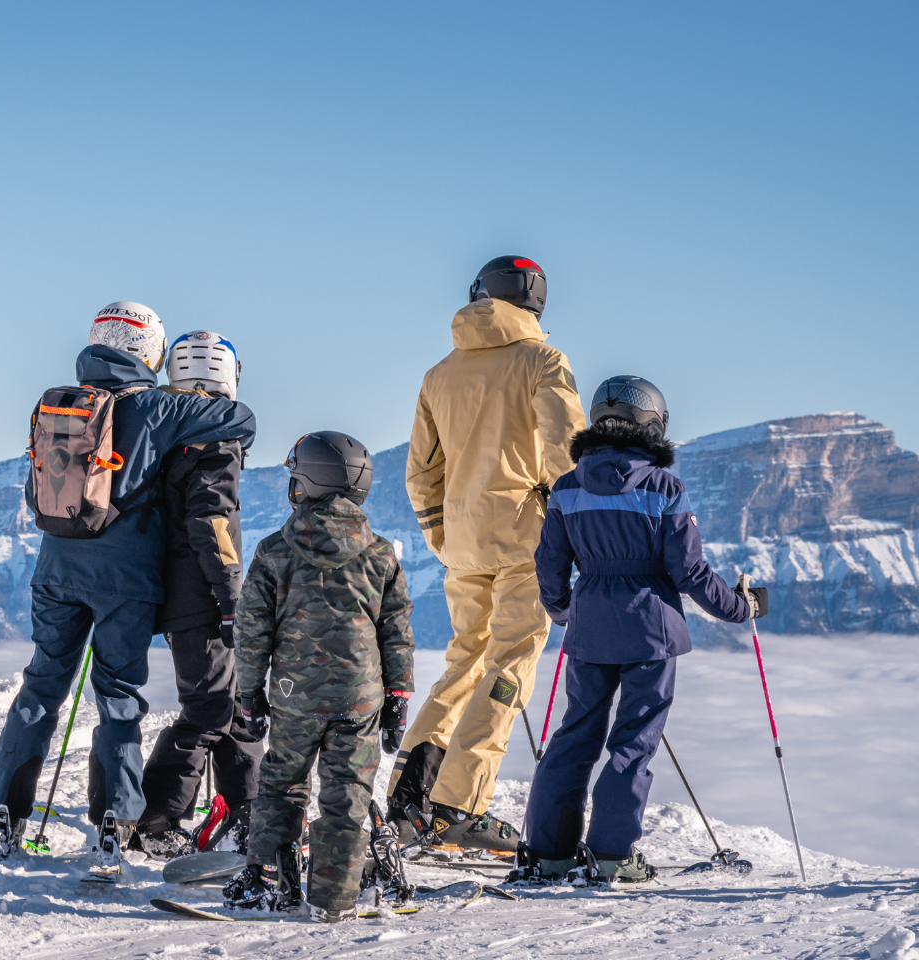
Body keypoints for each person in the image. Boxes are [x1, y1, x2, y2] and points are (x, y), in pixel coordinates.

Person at [0, 302, 257, 882]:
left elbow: (35, 493)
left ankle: (5, 812)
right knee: (117, 698)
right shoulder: (157, 406)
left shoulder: (58, 402)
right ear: (150, 352)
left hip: (55, 572)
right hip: (127, 584)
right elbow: (238, 421)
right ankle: (114, 820)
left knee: (42, 686)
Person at [517, 376, 765, 883]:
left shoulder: (567, 488)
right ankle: (611, 855)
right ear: (652, 425)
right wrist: (743, 608)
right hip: (651, 632)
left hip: (588, 629)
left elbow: (549, 566)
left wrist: (565, 611)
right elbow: (690, 574)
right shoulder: (664, 489)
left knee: (574, 735)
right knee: (633, 741)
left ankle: (550, 853)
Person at [388, 255, 586, 855]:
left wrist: (443, 534)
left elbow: (422, 472)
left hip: (463, 542)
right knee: (509, 666)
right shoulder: (544, 360)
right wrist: (581, 527)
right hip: (527, 539)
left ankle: (409, 798)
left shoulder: (439, 373)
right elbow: (566, 449)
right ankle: (458, 807)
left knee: (463, 661)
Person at [221, 432, 414, 922]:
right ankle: (334, 900)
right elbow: (396, 631)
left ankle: (268, 879)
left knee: (282, 785)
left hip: (293, 697)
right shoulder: (382, 554)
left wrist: (249, 693)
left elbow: (252, 631)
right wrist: (397, 697)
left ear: (308, 481)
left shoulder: (273, 552)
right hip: (360, 700)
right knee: (348, 794)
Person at [128, 330, 261, 859]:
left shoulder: (165, 430)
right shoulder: (217, 437)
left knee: (231, 705)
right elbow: (212, 521)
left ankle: (245, 812)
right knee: (211, 708)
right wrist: (233, 598)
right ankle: (158, 817)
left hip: (167, 586)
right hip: (203, 594)